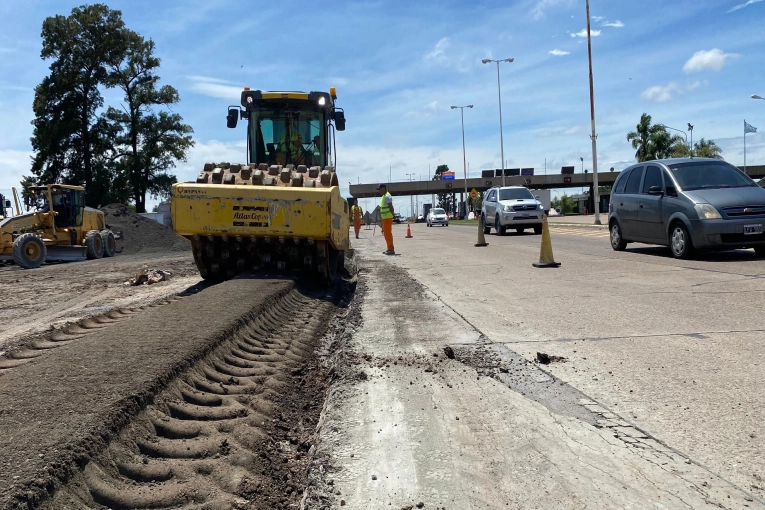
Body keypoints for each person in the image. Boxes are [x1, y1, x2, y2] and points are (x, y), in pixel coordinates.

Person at [377, 183, 395, 255]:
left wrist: (393, 215)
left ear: (384, 188)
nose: (379, 191)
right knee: (386, 234)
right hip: (385, 218)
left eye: (380, 189)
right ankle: (389, 248)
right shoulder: (383, 196)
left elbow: (391, 207)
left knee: (388, 234)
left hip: (387, 218)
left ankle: (391, 249)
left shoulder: (387, 196)